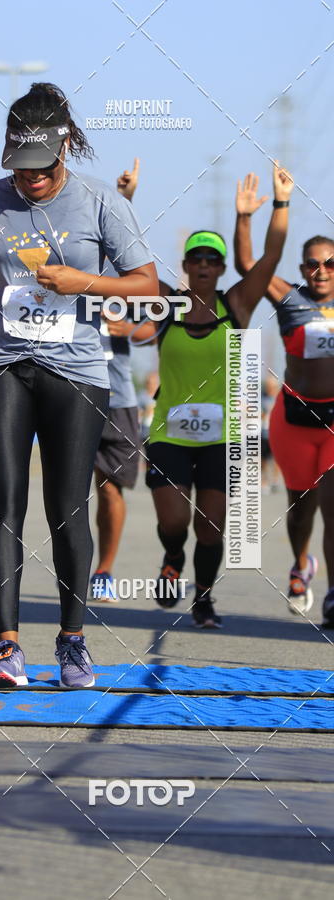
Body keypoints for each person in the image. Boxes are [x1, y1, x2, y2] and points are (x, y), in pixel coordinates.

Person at [0, 83, 158, 688]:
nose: (30, 179)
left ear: (64, 150)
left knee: (68, 505)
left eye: (41, 168)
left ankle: (73, 642)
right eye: (19, 167)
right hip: (1, 363)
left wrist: (83, 282)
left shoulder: (99, 204)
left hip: (77, 370)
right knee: (5, 501)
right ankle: (6, 648)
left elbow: (146, 285)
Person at [145, 162, 293, 628]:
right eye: (197, 260)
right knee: (175, 523)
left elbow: (270, 257)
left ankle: (203, 598)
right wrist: (126, 200)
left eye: (213, 260)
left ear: (221, 268)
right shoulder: (167, 304)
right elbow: (128, 257)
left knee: (211, 528)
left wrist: (274, 206)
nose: (205, 266)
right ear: (186, 266)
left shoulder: (238, 305)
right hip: (169, 433)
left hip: (221, 438)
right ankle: (172, 556)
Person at [234, 174, 334, 627]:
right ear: (302, 267)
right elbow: (248, 262)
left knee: (332, 507)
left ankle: (333, 593)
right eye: (313, 263)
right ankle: (301, 564)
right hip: (294, 419)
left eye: (331, 263)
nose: (321, 271)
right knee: (301, 507)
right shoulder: (289, 297)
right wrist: (262, 209)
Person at [90, 159, 156, 602]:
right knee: (72, 492)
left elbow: (154, 324)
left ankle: (105, 570)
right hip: (69, 392)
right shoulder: (68, 271)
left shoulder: (123, 279)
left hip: (119, 398)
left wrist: (127, 329)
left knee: (110, 489)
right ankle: (74, 570)